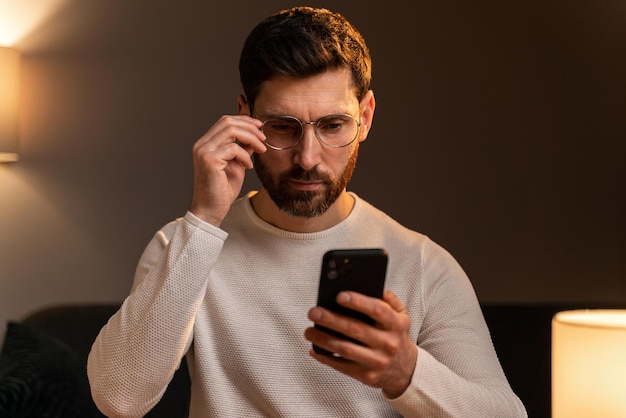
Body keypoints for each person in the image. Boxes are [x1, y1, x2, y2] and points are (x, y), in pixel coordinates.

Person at [88, 6, 527, 417]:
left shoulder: (423, 265)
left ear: (366, 118)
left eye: (333, 126)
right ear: (245, 117)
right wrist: (203, 220)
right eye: (283, 126)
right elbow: (118, 399)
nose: (307, 158)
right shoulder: (183, 246)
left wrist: (405, 373)